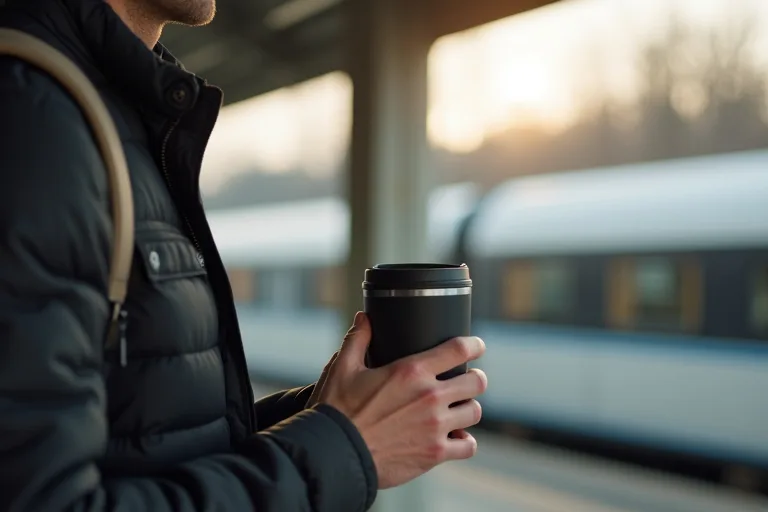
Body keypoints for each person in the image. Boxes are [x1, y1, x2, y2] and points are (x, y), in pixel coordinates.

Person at [0, 0, 489, 510]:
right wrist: (348, 447)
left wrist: (327, 417)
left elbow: (156, 443)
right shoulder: (29, 115)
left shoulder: (107, 108)